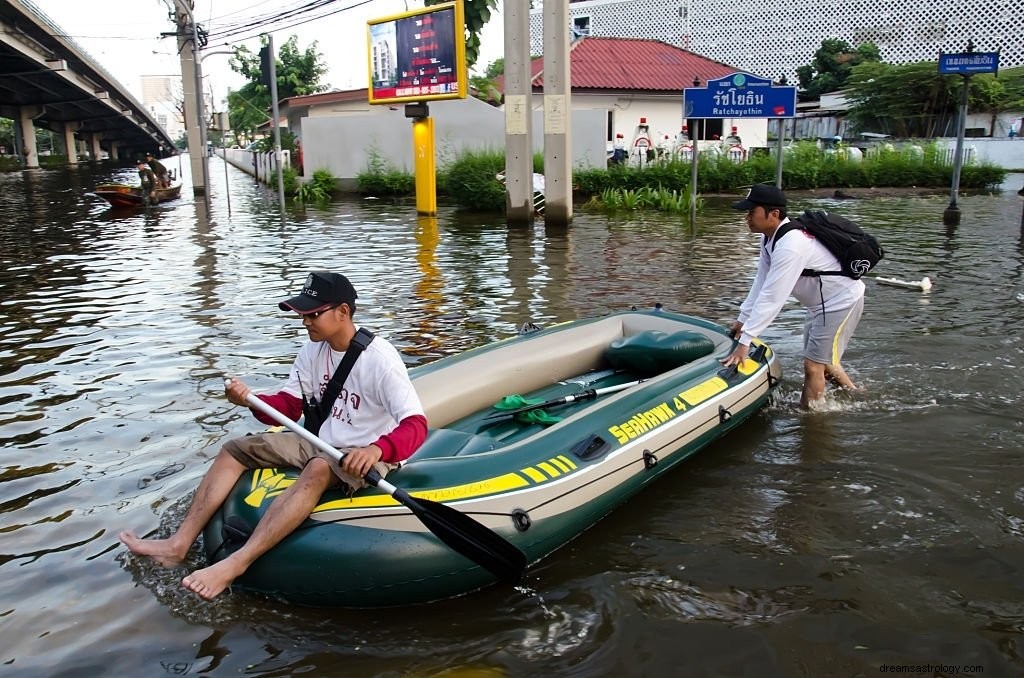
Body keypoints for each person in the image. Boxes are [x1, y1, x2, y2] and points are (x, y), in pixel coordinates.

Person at [120, 271, 428, 600]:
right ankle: (178, 544)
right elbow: (287, 409)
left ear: (342, 312)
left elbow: (416, 424)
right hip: (322, 440)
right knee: (235, 449)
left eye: (313, 314)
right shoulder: (312, 351)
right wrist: (250, 399)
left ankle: (236, 563)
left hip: (365, 454)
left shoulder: (380, 360)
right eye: (303, 314)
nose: (305, 321)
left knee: (319, 468)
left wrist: (376, 450)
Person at [722, 183, 865, 409]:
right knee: (821, 361)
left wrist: (746, 341)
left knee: (813, 366)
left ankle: (812, 418)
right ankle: (855, 395)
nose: (747, 217)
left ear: (774, 214)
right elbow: (761, 282)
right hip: (820, 305)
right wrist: (742, 319)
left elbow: (774, 296)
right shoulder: (770, 238)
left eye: (752, 212)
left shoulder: (791, 245)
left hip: (840, 302)